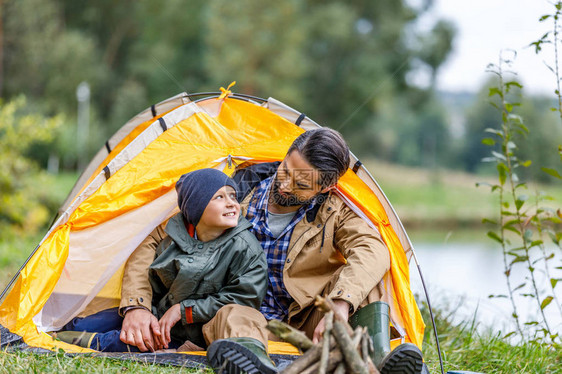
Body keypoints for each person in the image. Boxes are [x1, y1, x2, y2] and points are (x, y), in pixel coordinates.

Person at [121, 129, 424, 374]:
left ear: (326, 189)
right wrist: (136, 306)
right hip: (237, 313)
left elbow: (373, 249)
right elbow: (155, 241)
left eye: (301, 183)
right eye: (286, 169)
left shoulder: (336, 210)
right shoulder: (233, 193)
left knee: (363, 288)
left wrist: (340, 304)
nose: (286, 184)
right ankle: (254, 365)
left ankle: (384, 361)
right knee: (233, 314)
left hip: (306, 318)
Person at [54, 169, 267, 355]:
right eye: (219, 197)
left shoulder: (245, 247)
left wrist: (184, 310)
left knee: (122, 342)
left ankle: (72, 343)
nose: (231, 202)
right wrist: (140, 309)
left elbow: (244, 297)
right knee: (87, 323)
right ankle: (53, 331)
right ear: (196, 208)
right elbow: (146, 272)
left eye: (232, 195)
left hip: (187, 332)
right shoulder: (171, 232)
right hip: (156, 313)